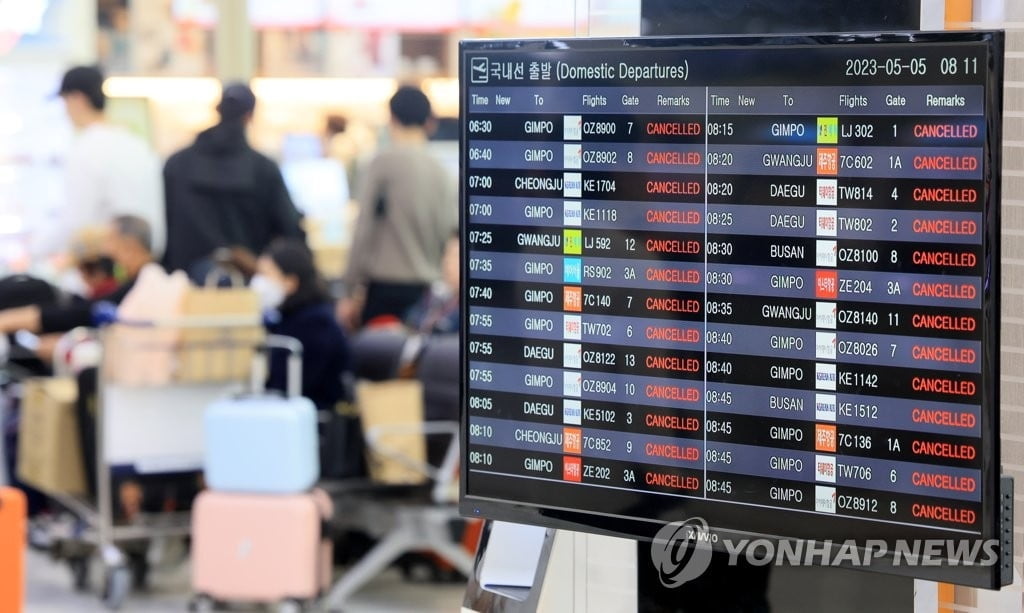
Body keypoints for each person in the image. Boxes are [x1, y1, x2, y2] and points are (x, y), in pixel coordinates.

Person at [338, 85, 457, 329]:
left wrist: (348, 290)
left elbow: (363, 229)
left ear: (391, 119)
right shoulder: (443, 172)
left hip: (383, 289)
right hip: (426, 291)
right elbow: (449, 232)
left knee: (379, 361)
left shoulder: (380, 164)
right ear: (429, 122)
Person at [162, 82, 305, 280]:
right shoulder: (263, 169)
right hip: (248, 290)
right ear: (250, 115)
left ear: (218, 109)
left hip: (184, 291)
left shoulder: (176, 165)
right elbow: (290, 229)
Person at [35, 66, 165, 260]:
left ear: (77, 99)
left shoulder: (85, 149)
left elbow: (75, 223)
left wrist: (34, 251)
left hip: (108, 268)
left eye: (64, 101)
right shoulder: (137, 144)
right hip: (147, 260)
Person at [0, 215, 154, 336]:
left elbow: (88, 311)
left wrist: (13, 320)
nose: (105, 249)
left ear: (129, 245)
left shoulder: (149, 281)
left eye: (109, 240)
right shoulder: (141, 280)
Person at [251, 239, 350, 411]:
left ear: (291, 281)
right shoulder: (290, 316)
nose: (259, 283)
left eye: (266, 275)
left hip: (313, 416)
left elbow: (292, 383)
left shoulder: (315, 322)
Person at [404, 232, 459, 336]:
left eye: (455, 256)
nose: (447, 261)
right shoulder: (436, 292)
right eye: (446, 254)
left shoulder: (474, 311)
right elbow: (412, 317)